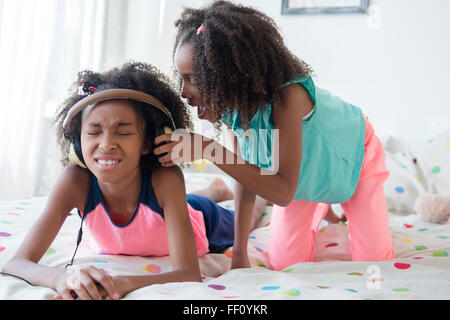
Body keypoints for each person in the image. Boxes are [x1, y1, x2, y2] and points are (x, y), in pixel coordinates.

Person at [154, 1, 395, 271]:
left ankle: (327, 206)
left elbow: (281, 193)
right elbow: (246, 177)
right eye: (182, 78)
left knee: (375, 262)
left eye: (193, 79)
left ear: (228, 75)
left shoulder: (287, 97)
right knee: (284, 264)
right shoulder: (238, 110)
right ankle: (321, 205)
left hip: (353, 157)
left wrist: (209, 149)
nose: (184, 92)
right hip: (301, 180)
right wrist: (239, 254)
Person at [1, 62, 252, 300]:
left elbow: (189, 274)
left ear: (146, 142)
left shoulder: (165, 178)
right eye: (93, 132)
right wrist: (61, 278)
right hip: (157, 218)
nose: (107, 143)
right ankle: (214, 189)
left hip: (202, 219)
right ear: (78, 143)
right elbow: (17, 263)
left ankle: (243, 198)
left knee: (248, 218)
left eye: (123, 132)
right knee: (179, 204)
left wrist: (123, 282)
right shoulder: (74, 181)